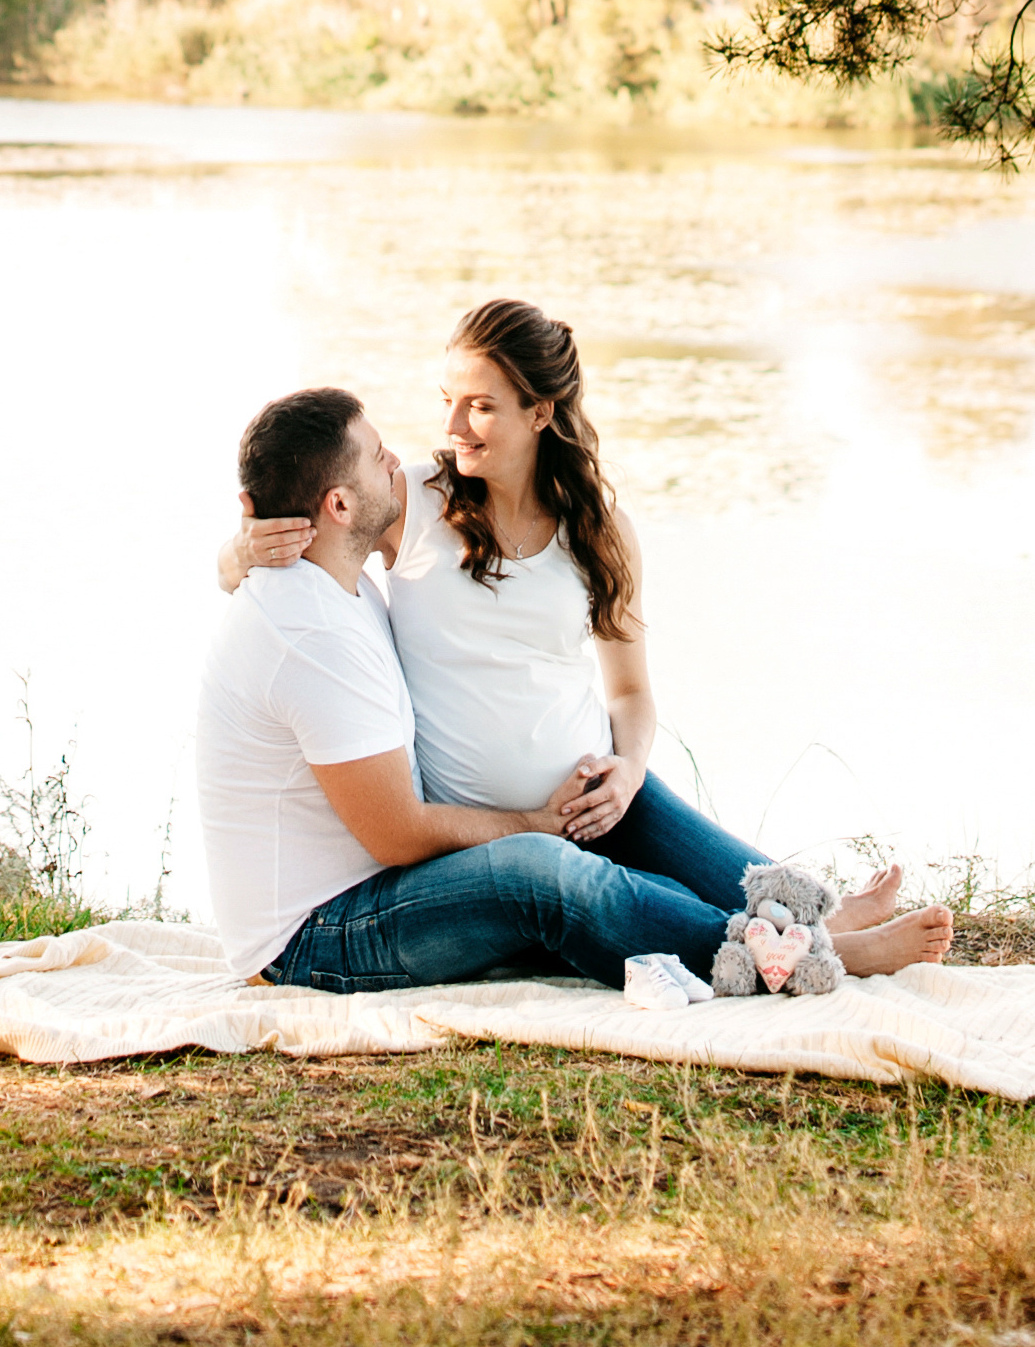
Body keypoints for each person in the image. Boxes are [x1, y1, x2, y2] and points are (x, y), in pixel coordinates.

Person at [198, 339, 951, 992]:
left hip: (433, 856)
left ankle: (802, 915)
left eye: (479, 405)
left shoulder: (348, 579)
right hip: (324, 929)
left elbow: (628, 687)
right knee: (542, 872)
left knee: (619, 802)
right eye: (377, 453)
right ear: (341, 501)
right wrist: (240, 550)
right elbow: (398, 834)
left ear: (539, 413)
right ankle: (803, 954)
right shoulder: (331, 601)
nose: (412, 449)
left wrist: (618, 771)